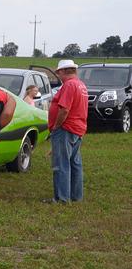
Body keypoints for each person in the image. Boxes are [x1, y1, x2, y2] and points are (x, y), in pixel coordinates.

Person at [45, 59, 88, 203]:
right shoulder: (80, 85)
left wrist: (56, 126)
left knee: (61, 164)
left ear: (64, 71)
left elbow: (64, 109)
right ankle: (76, 196)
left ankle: (61, 198)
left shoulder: (69, 85)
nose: (58, 75)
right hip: (77, 128)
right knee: (75, 163)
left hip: (66, 128)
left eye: (58, 72)